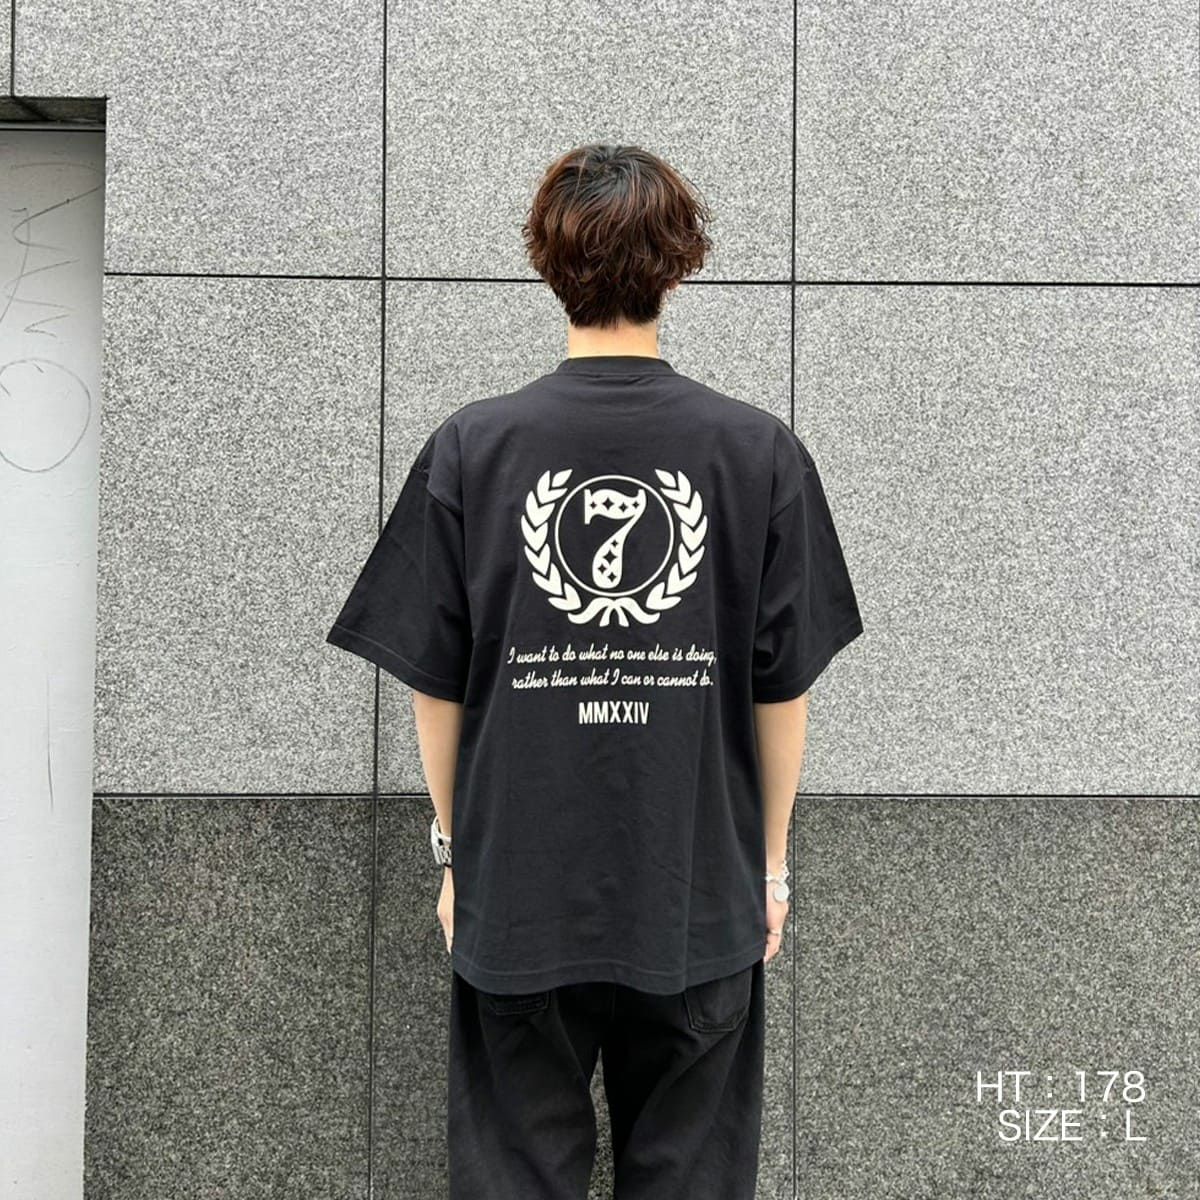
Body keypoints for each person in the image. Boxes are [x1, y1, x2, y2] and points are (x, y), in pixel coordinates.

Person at [325, 143, 864, 1199]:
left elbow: (436, 684)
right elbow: (782, 689)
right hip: (699, 895)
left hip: (518, 900)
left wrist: (457, 856)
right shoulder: (758, 453)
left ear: (548, 262)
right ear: (678, 265)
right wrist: (769, 870)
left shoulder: (473, 448)